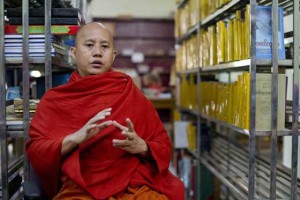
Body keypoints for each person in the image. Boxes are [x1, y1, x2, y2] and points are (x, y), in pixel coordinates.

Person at [26, 22, 184, 200]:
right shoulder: (55, 100)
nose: (97, 53)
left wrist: (143, 147)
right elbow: (37, 151)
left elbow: (163, 144)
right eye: (89, 45)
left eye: (105, 46)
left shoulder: (129, 91)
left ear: (113, 55)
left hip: (133, 185)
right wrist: (73, 139)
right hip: (81, 186)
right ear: (74, 53)